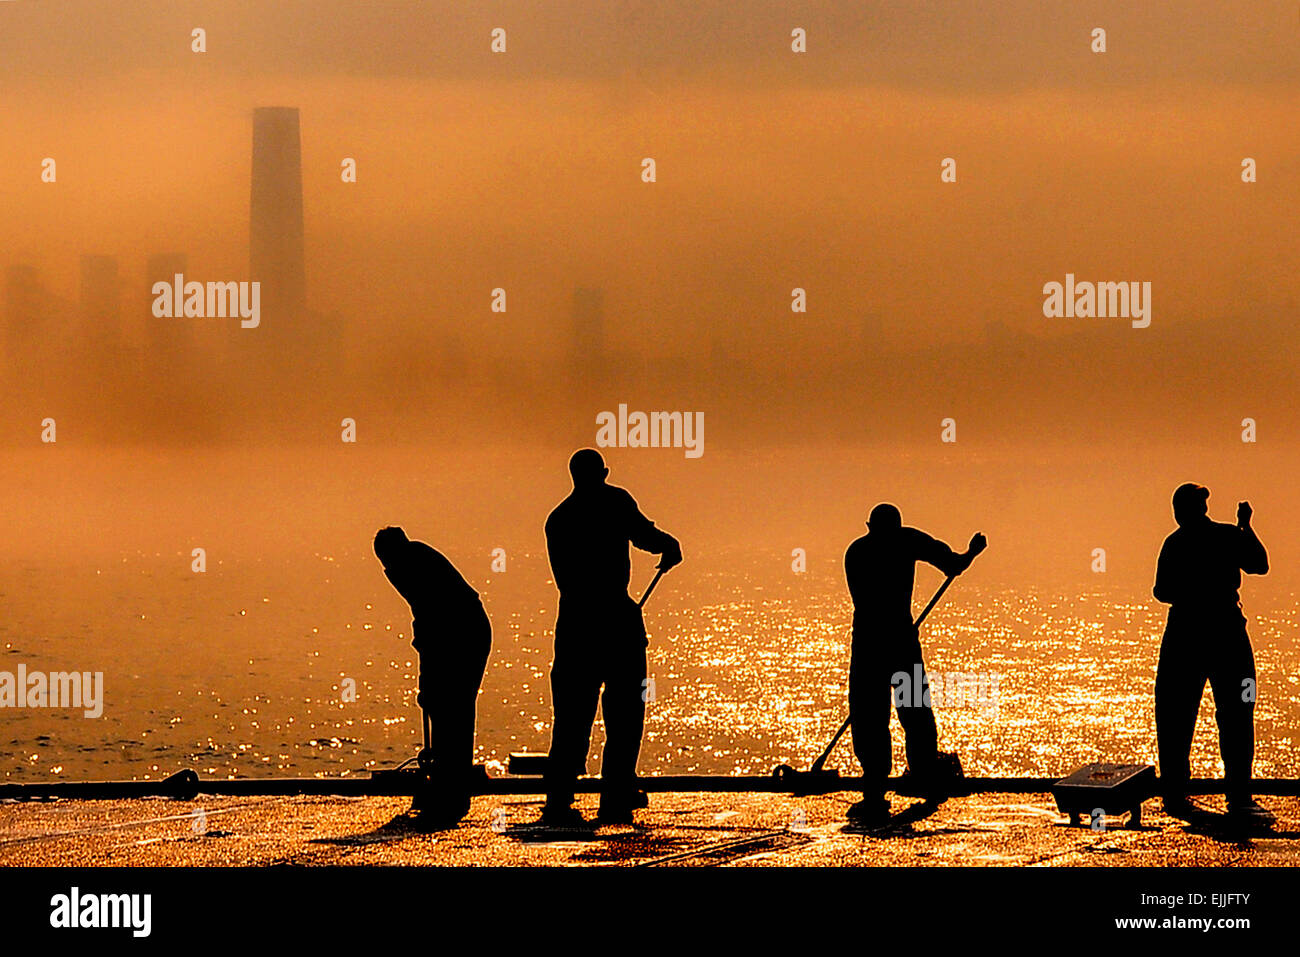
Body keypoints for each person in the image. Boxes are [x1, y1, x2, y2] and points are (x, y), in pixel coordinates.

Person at [540, 449, 682, 827]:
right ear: (603, 472)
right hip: (617, 620)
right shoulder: (615, 501)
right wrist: (670, 544)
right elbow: (645, 535)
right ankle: (616, 793)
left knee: (571, 715)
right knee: (625, 713)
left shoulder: (557, 520)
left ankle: (559, 797)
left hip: (574, 624)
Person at [843, 503, 986, 825]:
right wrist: (972, 553)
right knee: (911, 711)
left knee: (870, 713)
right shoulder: (906, 541)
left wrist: (967, 556)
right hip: (898, 644)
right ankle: (920, 775)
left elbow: (866, 601)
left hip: (868, 644)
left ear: (869, 526)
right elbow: (954, 565)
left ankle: (876, 786)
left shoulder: (857, 551)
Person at [1153, 483, 1269, 820]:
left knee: (1175, 714)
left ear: (1180, 511)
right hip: (1227, 631)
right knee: (1236, 714)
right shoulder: (1227, 536)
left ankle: (1175, 792)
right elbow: (1259, 565)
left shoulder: (1174, 543)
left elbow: (1162, 591)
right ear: (1202, 508)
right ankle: (1239, 792)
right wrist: (1245, 527)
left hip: (1185, 634)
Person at [374, 526, 492, 827]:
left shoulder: (412, 564)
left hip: (465, 632)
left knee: (453, 706)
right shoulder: (410, 559)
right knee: (446, 706)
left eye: (386, 560)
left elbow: (429, 621)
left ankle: (451, 787)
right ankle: (448, 780)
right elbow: (425, 625)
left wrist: (426, 682)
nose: (386, 568)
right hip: (457, 631)